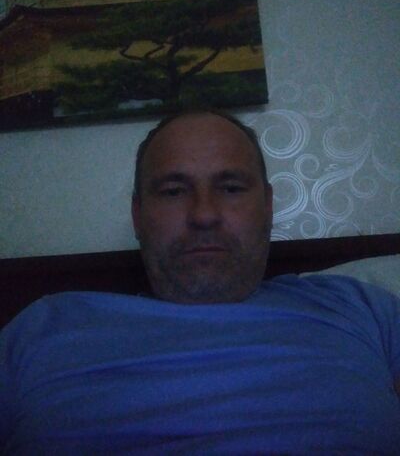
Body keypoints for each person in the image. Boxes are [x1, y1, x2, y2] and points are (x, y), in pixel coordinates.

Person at [1, 109, 399, 454]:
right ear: (137, 216)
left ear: (268, 206)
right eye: (174, 191)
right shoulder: (43, 329)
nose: (204, 215)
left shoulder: (359, 308)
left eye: (231, 188)